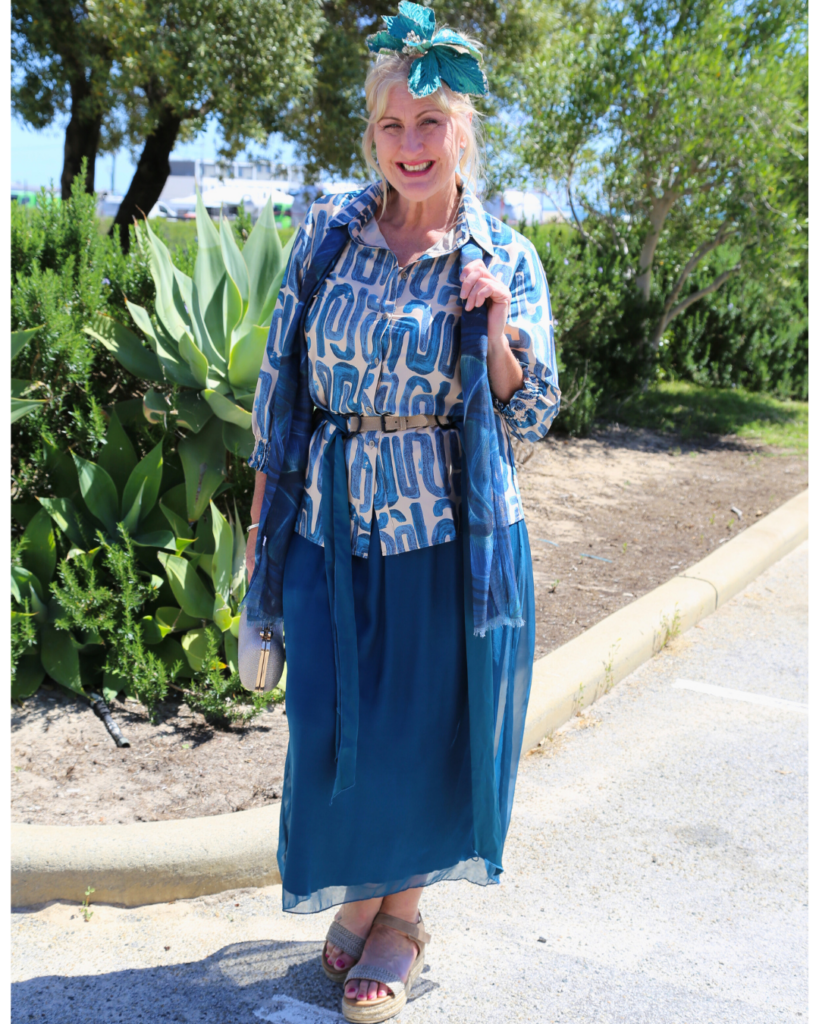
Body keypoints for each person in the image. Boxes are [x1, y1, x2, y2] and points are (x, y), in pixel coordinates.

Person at [243, 4, 560, 1020]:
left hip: (450, 539)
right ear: (371, 135)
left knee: (427, 732)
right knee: (339, 728)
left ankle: (401, 917)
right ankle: (369, 890)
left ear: (464, 134)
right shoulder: (326, 244)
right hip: (333, 529)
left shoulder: (504, 256)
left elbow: (533, 411)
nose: (412, 146)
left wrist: (497, 331)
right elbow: (277, 403)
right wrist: (261, 552)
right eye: (394, 126)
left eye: (432, 125)